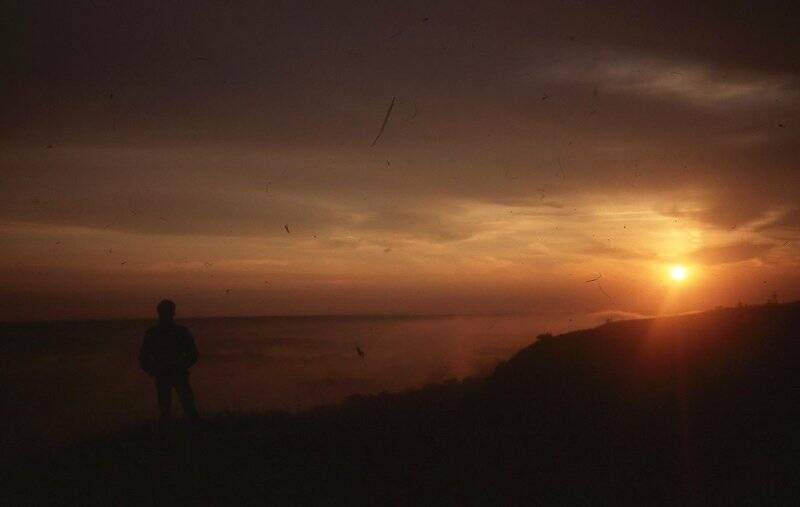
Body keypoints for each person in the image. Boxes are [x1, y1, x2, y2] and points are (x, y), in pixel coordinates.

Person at [139, 299, 200, 425]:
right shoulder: (178, 332)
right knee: (171, 409)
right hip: (168, 374)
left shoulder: (155, 333)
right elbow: (143, 358)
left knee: (182, 408)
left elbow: (193, 354)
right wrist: (154, 370)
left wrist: (154, 370)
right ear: (173, 312)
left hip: (172, 373)